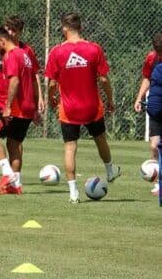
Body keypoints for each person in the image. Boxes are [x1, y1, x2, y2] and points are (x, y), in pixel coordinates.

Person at [46, 13, 121, 203]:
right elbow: (103, 79)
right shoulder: (94, 49)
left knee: (70, 147)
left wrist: (51, 97)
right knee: (100, 138)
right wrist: (110, 99)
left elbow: (52, 83)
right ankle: (110, 170)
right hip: (92, 107)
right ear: (81, 28)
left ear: (64, 28)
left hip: (69, 109)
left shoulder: (57, 52)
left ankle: (73, 194)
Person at [0, 15, 42, 185]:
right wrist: (35, 108)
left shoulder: (12, 54)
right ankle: (15, 183)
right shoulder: (23, 54)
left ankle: (8, 174)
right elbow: (32, 81)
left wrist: (7, 107)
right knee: (14, 144)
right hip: (23, 107)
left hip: (12, 107)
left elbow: (16, 81)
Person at [133, 32, 162, 197]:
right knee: (154, 145)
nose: (160, 55)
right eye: (158, 51)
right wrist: (139, 98)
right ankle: (159, 182)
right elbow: (147, 78)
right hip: (156, 105)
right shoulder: (152, 58)